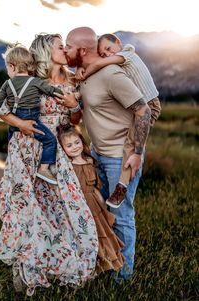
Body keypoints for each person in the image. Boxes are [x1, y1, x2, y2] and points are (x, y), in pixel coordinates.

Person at [0, 33, 98, 296]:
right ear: (45, 52)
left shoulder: (73, 80)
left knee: (63, 209)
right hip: (29, 150)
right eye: (59, 46)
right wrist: (22, 125)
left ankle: (59, 263)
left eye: (64, 45)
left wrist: (74, 106)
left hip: (57, 151)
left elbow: (74, 121)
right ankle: (27, 266)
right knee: (28, 208)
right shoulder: (32, 82)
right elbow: (1, 111)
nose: (64, 49)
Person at [64, 27, 151, 281]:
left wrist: (136, 152)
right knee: (101, 214)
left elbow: (143, 110)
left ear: (82, 50)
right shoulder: (87, 76)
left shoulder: (112, 74)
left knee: (121, 216)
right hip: (98, 156)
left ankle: (123, 279)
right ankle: (107, 265)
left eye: (68, 46)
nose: (66, 50)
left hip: (119, 158)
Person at [75, 33, 161, 207]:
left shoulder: (128, 53)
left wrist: (82, 73)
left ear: (118, 42)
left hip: (150, 105)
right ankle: (121, 185)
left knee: (132, 140)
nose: (107, 54)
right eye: (103, 52)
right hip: (139, 105)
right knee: (130, 134)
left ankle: (122, 185)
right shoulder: (117, 61)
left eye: (108, 48)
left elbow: (100, 63)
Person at [57, 123, 125, 273]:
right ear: (63, 149)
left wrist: (102, 204)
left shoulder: (89, 161)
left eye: (77, 142)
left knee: (100, 231)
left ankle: (103, 264)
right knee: (85, 234)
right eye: (69, 145)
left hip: (94, 204)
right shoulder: (68, 166)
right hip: (80, 205)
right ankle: (85, 267)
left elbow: (95, 187)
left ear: (82, 141)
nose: (74, 147)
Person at [0, 43, 64, 184]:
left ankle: (14, 163)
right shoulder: (35, 81)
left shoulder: (7, 84)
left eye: (7, 67)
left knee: (13, 145)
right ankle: (44, 168)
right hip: (32, 120)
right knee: (50, 140)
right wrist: (65, 95)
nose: (7, 70)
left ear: (13, 66)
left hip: (14, 121)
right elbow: (51, 91)